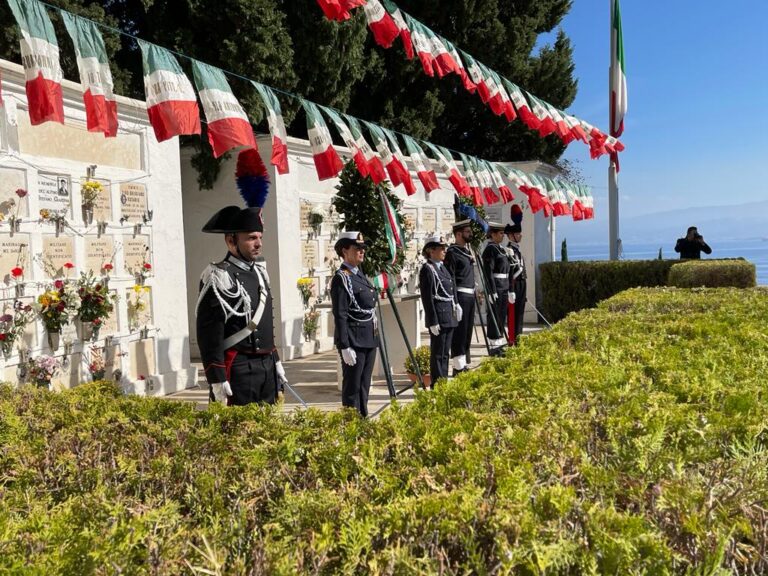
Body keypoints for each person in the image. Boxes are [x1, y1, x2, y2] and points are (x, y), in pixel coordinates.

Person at [196, 206, 288, 406]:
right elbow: (209, 333)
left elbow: (263, 326)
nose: (258, 244)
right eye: (251, 238)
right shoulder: (218, 277)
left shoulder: (261, 273)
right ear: (231, 241)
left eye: (260, 237)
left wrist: (276, 360)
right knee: (237, 433)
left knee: (269, 430)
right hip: (238, 368)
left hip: (266, 366)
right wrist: (216, 377)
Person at [330, 231, 379, 417]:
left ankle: (362, 419)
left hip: (368, 338)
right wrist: (344, 345)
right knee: (352, 386)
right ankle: (351, 423)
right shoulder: (341, 277)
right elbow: (340, 314)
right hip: (354, 340)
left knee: (364, 385)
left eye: (363, 248)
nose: (362, 251)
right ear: (344, 251)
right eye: (357, 248)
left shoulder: (360, 275)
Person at [419, 234, 460, 384]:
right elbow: (427, 298)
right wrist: (432, 321)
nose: (444, 251)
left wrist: (456, 304)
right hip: (439, 317)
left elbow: (451, 286)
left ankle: (443, 381)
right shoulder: (427, 270)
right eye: (441, 248)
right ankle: (437, 384)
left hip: (449, 315)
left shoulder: (443, 268)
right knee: (438, 353)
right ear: (431, 251)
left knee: (445, 353)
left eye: (444, 248)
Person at [444, 220, 475, 376]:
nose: (470, 234)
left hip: (470, 294)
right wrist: (455, 302)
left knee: (467, 331)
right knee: (459, 333)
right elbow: (452, 279)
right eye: (467, 232)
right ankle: (457, 367)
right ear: (458, 234)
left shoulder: (466, 251)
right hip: (461, 296)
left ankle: (462, 364)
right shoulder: (452, 253)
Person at [481, 222, 509, 356]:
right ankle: (493, 344)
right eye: (500, 233)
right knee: (494, 315)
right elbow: (488, 272)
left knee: (502, 315)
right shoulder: (490, 249)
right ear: (493, 234)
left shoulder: (501, 248)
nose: (503, 236)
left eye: (503, 233)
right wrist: (491, 290)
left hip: (504, 285)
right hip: (496, 285)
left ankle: (499, 341)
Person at [504, 220, 527, 345]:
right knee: (513, 314)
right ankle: (513, 340)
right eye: (518, 234)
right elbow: (509, 272)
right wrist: (511, 290)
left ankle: (519, 338)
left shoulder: (516, 250)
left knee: (520, 312)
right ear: (511, 236)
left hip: (521, 284)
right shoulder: (508, 250)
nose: (520, 235)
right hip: (514, 284)